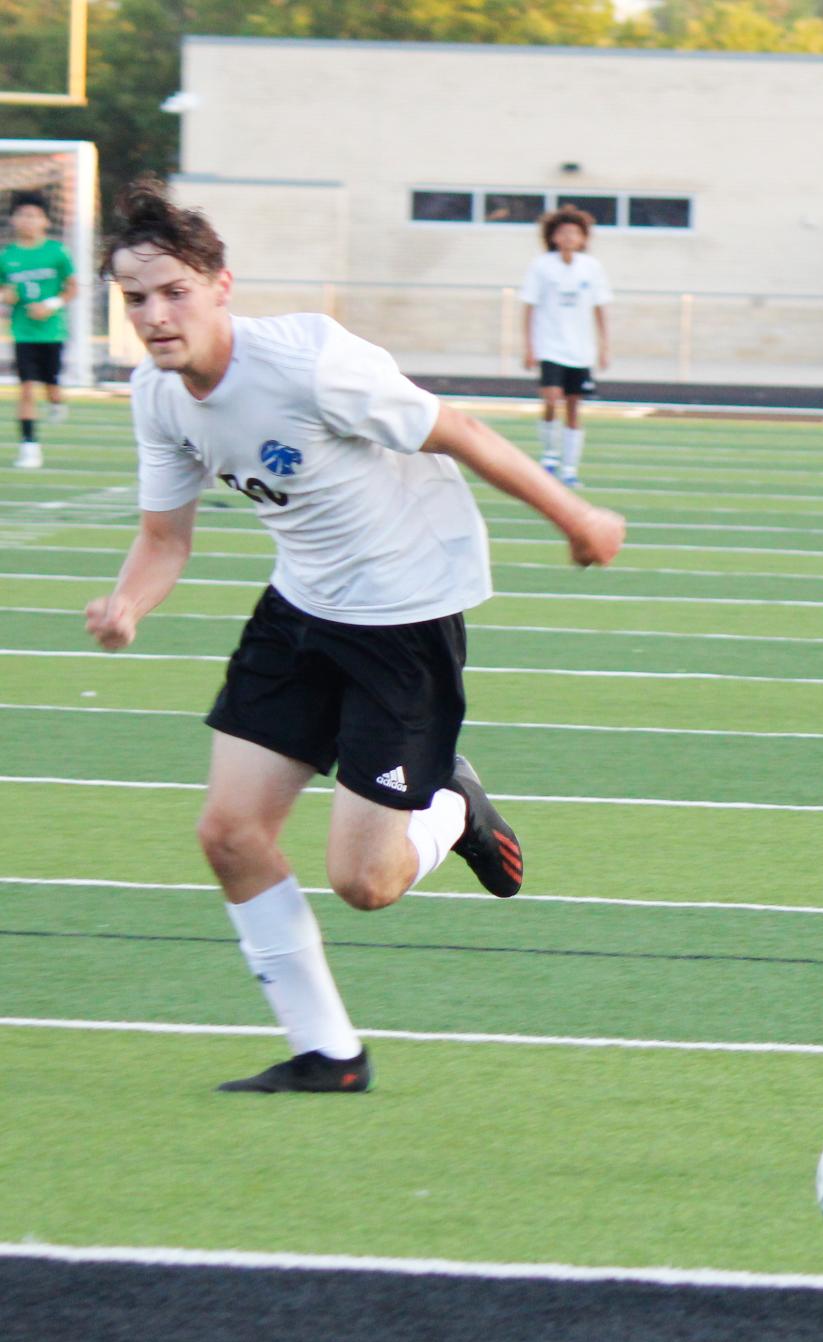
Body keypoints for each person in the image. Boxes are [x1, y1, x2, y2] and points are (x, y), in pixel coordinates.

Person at [87, 179, 627, 1093]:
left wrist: (574, 515)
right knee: (228, 832)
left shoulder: (307, 361)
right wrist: (129, 603)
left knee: (365, 883)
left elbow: (453, 429)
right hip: (301, 608)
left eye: (173, 290)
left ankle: (451, 803)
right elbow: (163, 537)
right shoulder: (158, 396)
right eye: (136, 298)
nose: (155, 314)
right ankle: (328, 1053)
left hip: (402, 615)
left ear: (223, 284)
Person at [519, 206, 612, 486]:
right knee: (550, 399)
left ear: (583, 238)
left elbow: (600, 308)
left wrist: (604, 346)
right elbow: (529, 307)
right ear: (553, 237)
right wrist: (529, 347)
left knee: (573, 408)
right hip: (550, 346)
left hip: (580, 350)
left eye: (575, 233)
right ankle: (549, 455)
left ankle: (570, 469)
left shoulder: (592, 268)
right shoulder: (542, 266)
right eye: (564, 232)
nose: (570, 237)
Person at [3, 191, 77, 470]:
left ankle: (57, 402)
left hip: (52, 332)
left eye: (33, 215)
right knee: (25, 389)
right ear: (13, 219)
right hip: (23, 333)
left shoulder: (56, 252)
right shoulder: (7, 256)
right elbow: (4, 290)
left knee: (52, 388)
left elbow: (72, 288)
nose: (27, 220)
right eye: (22, 214)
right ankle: (29, 447)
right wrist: (5, 296)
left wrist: (51, 304)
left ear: (45, 220)